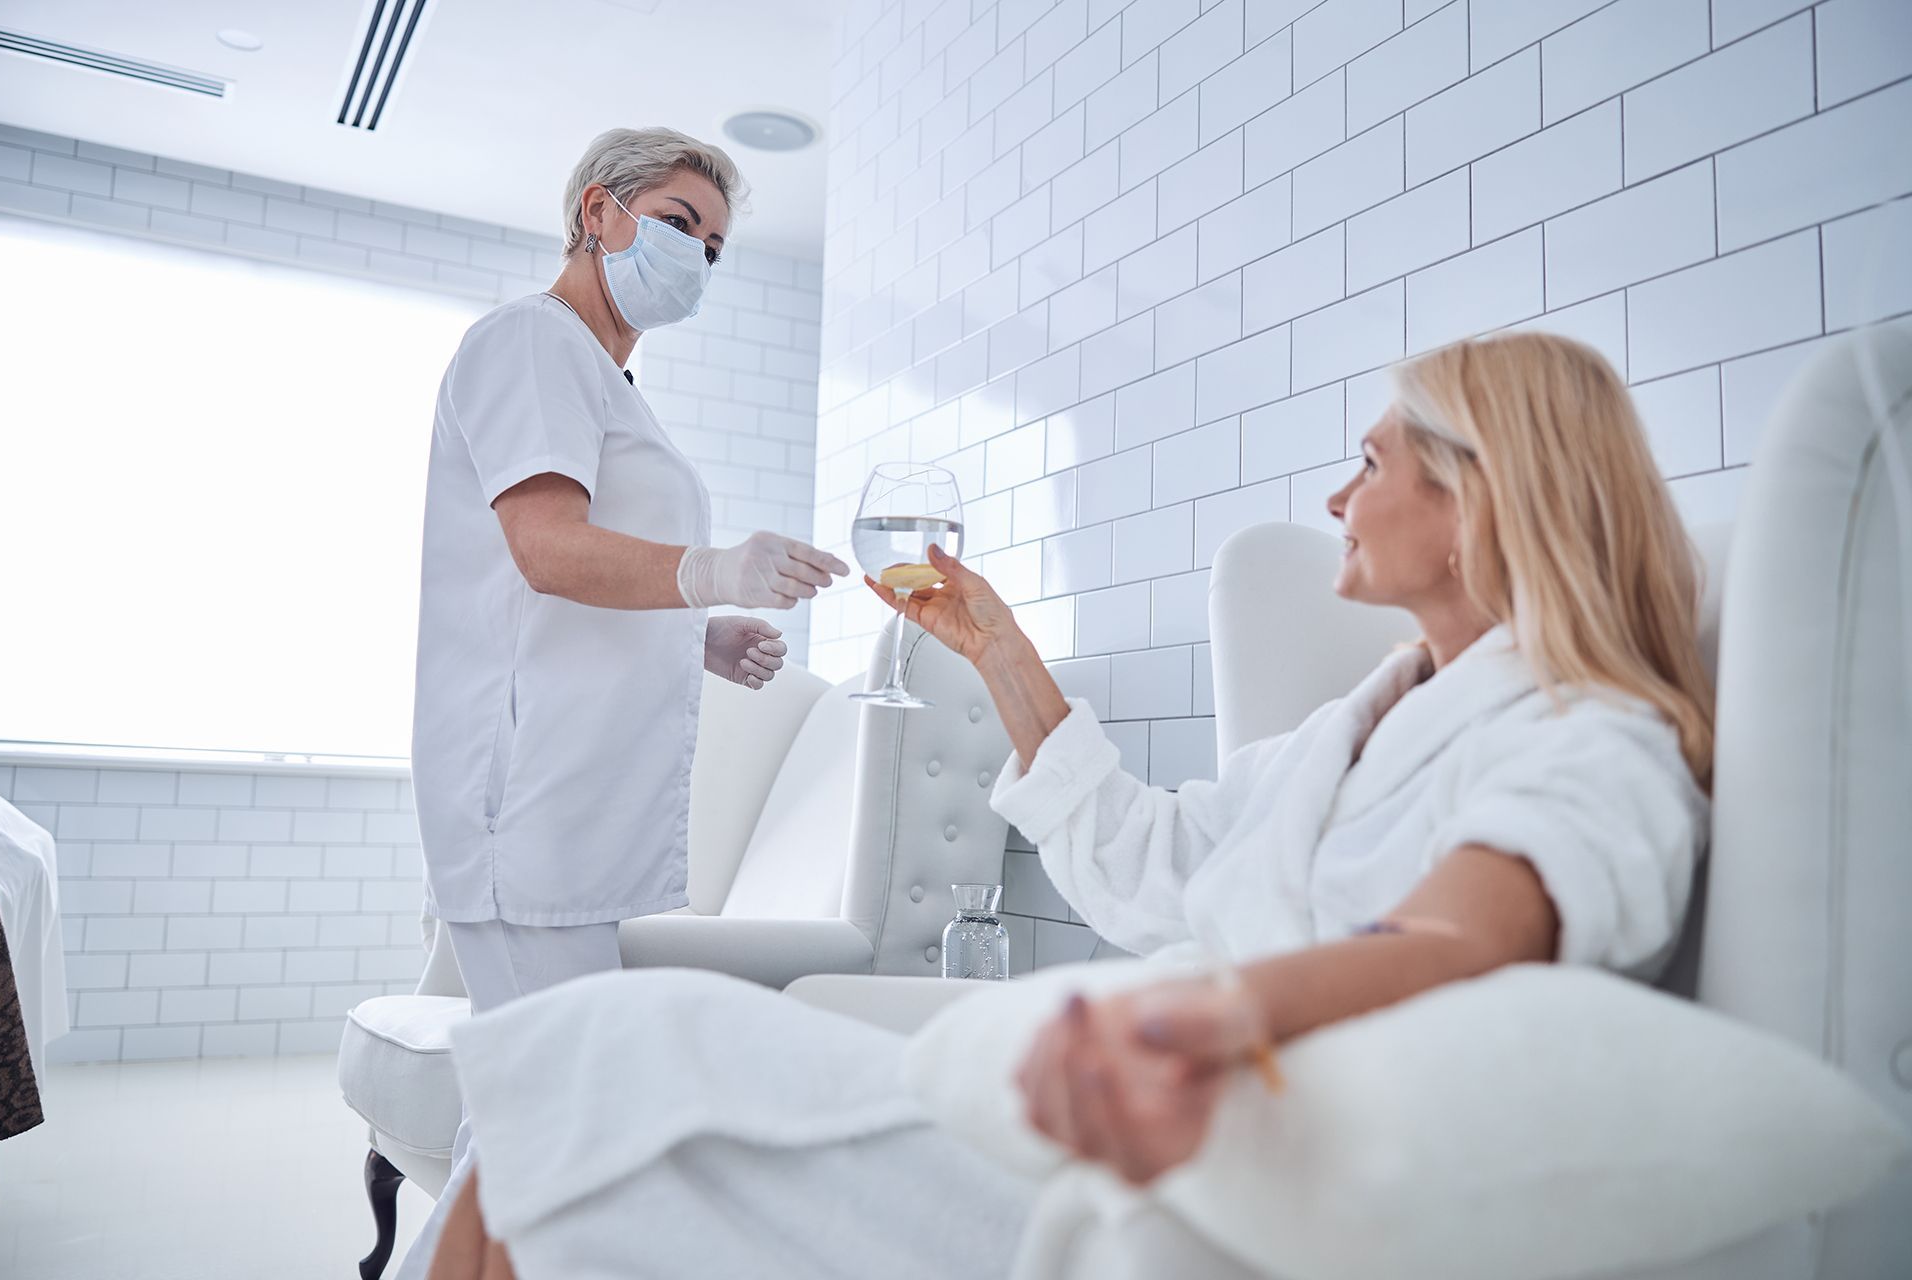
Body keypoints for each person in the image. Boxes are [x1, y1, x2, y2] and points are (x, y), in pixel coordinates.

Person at [408, 332, 1714, 1279]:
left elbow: (1452, 949)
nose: (1334, 499)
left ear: (1483, 492)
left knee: (611, 1066)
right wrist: (993, 648)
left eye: (1369, 462)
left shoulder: (1592, 741)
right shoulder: (1357, 731)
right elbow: (1151, 857)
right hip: (1147, 1118)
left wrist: (1213, 1013)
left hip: (1206, 1181)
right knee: (586, 1092)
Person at [404, 124, 850, 1234]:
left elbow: (546, 603)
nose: (698, 255)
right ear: (597, 212)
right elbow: (546, 549)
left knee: (530, 1115)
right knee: (556, 1115)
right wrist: (711, 572)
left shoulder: (603, 379)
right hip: (532, 802)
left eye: (715, 244)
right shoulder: (530, 343)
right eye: (679, 223)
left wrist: (697, 633)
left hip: (576, 804)